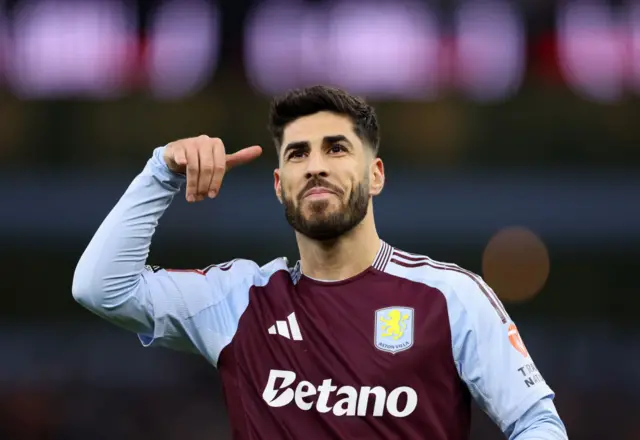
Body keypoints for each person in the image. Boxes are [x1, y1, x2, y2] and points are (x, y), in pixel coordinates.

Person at [72, 85, 568, 440]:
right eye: (297, 154)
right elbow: (100, 288)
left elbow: (536, 423)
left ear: (375, 176)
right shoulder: (240, 299)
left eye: (336, 149)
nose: (315, 165)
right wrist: (161, 172)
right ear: (278, 184)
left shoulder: (450, 296)